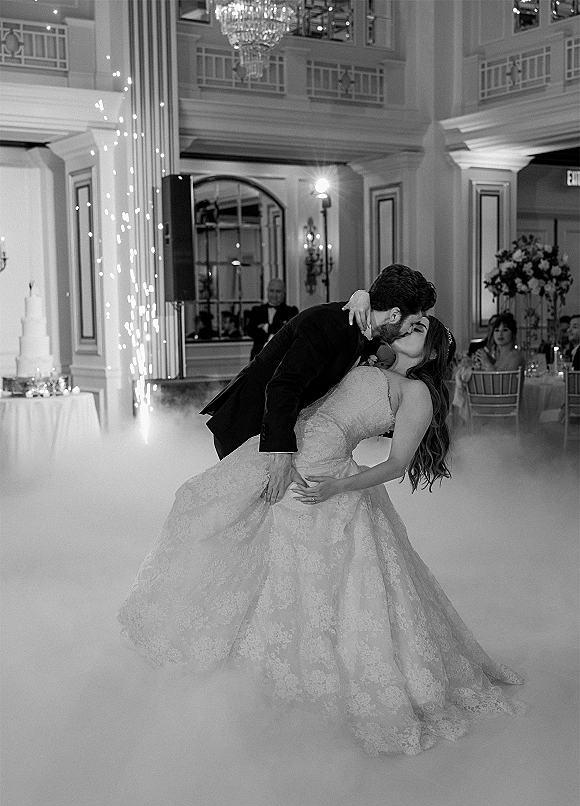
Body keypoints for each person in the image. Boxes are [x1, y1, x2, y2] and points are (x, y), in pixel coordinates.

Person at [118, 315, 523, 757]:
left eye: (420, 330)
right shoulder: (371, 359)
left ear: (432, 352)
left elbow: (397, 463)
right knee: (202, 505)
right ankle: (221, 651)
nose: (409, 329)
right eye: (409, 323)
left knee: (313, 580)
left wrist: (338, 486)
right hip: (285, 450)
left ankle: (300, 684)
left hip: (327, 476)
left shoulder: (417, 393)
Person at [200, 263, 437, 505]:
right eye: (413, 323)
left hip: (288, 435)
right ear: (395, 315)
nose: (408, 331)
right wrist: (280, 456)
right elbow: (284, 385)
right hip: (250, 424)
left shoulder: (361, 329)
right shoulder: (331, 325)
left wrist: (363, 294)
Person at [246, 278, 299, 359]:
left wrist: (266, 327)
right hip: (258, 357)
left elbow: (289, 332)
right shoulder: (257, 311)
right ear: (267, 291)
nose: (274, 295)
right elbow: (251, 331)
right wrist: (273, 332)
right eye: (271, 291)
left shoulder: (291, 311)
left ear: (284, 293)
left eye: (278, 291)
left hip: (282, 358)